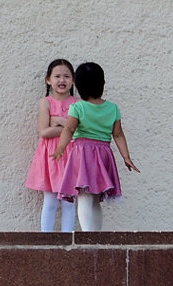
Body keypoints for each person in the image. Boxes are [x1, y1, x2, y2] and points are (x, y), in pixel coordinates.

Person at [52, 61, 139, 232]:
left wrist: (61, 147)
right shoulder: (113, 108)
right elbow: (118, 134)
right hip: (103, 153)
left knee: (84, 196)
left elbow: (69, 129)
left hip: (83, 154)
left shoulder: (77, 107)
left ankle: (86, 235)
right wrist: (126, 157)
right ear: (102, 84)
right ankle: (97, 234)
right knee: (95, 199)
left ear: (77, 85)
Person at [24, 59, 77, 233]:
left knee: (69, 200)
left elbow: (78, 131)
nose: (62, 80)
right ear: (48, 80)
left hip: (71, 155)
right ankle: (46, 239)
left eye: (67, 76)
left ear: (73, 80)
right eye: (57, 76)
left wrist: (60, 122)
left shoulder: (77, 104)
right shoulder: (45, 103)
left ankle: (68, 239)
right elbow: (44, 132)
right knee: (51, 200)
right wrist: (67, 126)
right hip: (51, 156)